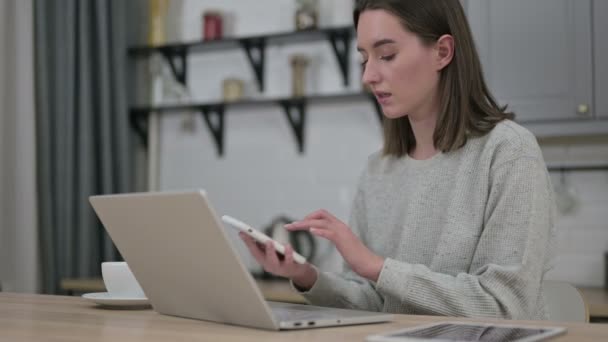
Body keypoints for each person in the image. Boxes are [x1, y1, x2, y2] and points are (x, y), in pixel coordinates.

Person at [240, 0, 555, 320]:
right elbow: (376, 303)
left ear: (443, 52)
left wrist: (378, 267)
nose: (368, 75)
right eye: (363, 58)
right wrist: (305, 275)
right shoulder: (379, 170)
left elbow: (506, 308)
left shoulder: (509, 153)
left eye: (386, 55)